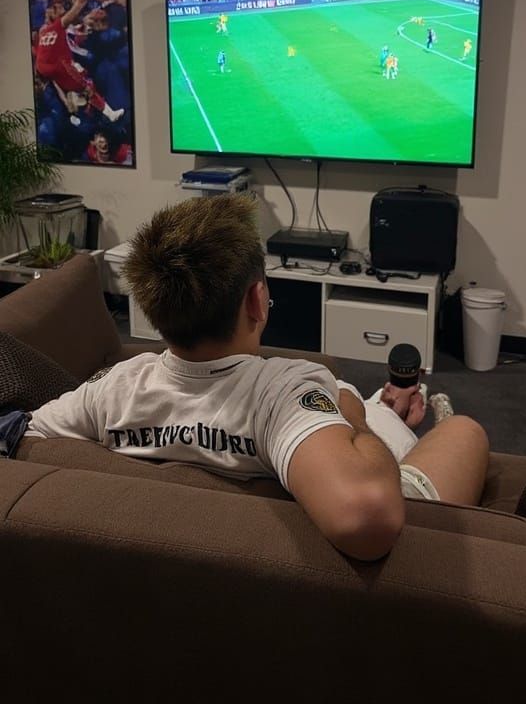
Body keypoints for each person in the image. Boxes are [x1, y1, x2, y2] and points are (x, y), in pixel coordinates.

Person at [25, 196, 488, 561]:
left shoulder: (115, 387)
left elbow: (25, 434)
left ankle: (390, 411)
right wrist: (353, 416)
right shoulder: (283, 390)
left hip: (313, 448)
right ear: (257, 299)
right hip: (366, 478)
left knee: (375, 407)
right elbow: (368, 516)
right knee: (463, 432)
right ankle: (391, 418)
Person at [35, 0, 124, 124]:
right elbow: (78, 6)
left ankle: (75, 110)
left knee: (79, 81)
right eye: (57, 8)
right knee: (86, 86)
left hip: (45, 68)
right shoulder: (57, 26)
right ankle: (106, 113)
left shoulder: (45, 31)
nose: (62, 10)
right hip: (57, 65)